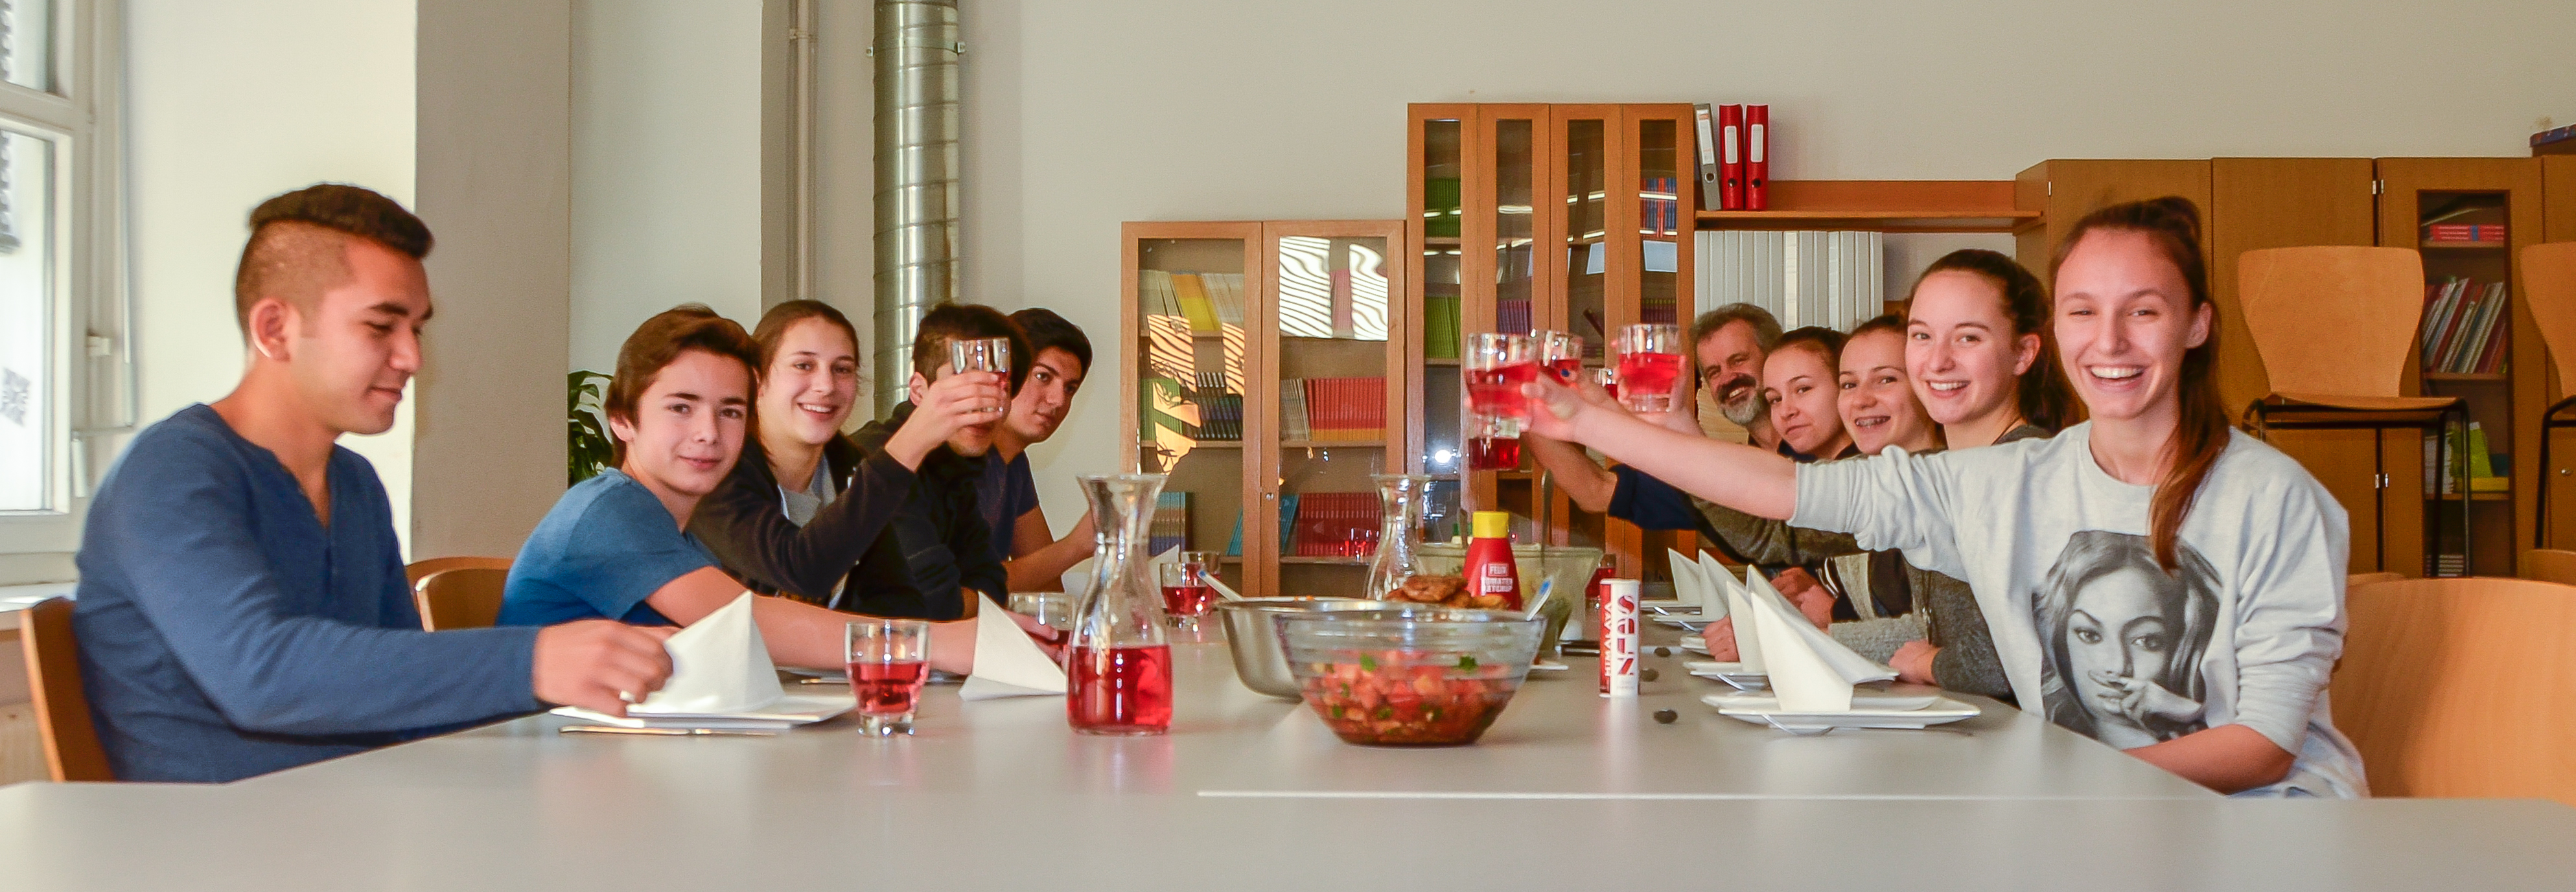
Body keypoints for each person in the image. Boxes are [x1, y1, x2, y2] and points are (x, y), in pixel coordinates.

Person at [1526, 197, 2363, 797]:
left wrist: (2061, 789)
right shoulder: (1999, 481)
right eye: (2083, 311)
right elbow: (1787, 490)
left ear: (2196, 324)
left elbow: (2262, 744)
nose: (2107, 341)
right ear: (2058, 331)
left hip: (2262, 822)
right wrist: (1589, 419)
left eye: (2141, 312)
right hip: (2089, 816)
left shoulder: (2272, 497)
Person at [70, 185, 675, 783]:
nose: (412, 357)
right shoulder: (172, 470)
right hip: (214, 833)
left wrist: (599, 672)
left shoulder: (354, 483)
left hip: (356, 811)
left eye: (417, 329)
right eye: (381, 327)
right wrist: (535, 661)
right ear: (275, 329)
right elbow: (261, 674)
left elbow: (406, 699)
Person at [500, 306, 1031, 673]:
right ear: (622, 419)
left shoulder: (673, 523)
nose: (709, 433)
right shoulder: (608, 511)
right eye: (681, 407)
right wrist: (940, 642)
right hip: (549, 768)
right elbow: (749, 621)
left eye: (730, 411)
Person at [688, 300, 1008, 610]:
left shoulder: (848, 465)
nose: (826, 385)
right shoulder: (714, 466)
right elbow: (800, 570)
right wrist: (913, 439)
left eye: (842, 369)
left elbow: (899, 603)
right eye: (803, 365)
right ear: (757, 379)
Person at [1524, 304, 1795, 566]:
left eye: (1738, 361)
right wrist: (1527, 412)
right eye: (1714, 372)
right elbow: (1595, 490)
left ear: (1777, 359)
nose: (1727, 378)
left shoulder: (1812, 452)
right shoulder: (1740, 462)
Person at [837, 302, 1030, 619]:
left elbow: (994, 583)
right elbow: (933, 605)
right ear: (919, 390)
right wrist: (970, 602)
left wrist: (967, 601)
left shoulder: (954, 464)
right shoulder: (875, 458)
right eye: (965, 385)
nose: (982, 404)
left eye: (999, 387)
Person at [992, 308, 1098, 591]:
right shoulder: (952, 459)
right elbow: (963, 591)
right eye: (1043, 377)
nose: (1058, 400)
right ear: (1003, 374)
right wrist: (1076, 546)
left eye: (1070, 388)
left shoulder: (1015, 464)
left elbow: (1048, 588)